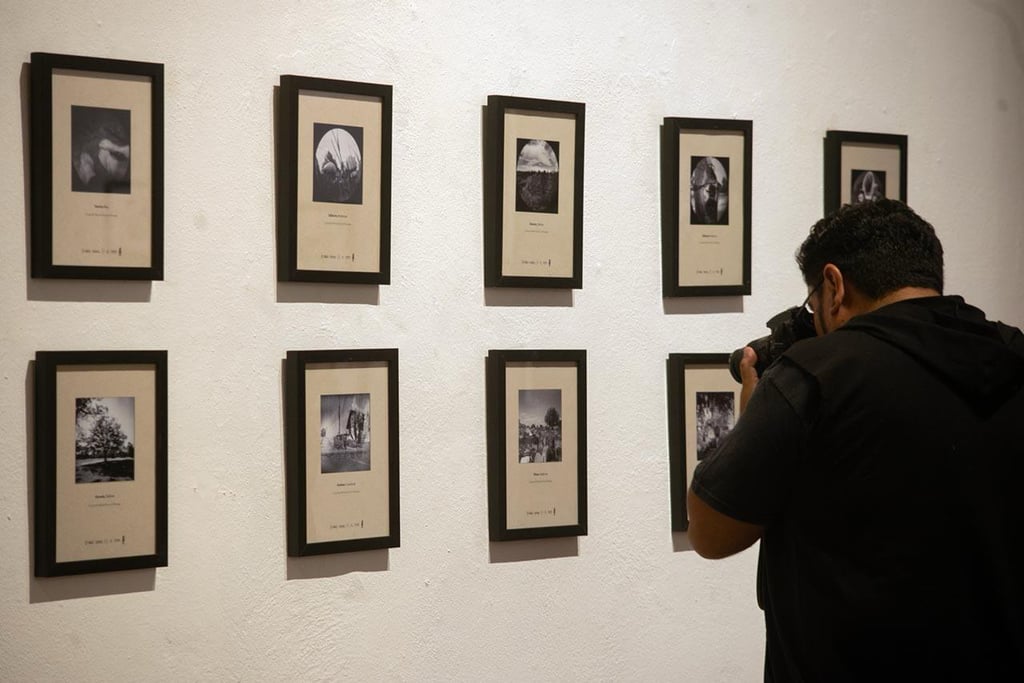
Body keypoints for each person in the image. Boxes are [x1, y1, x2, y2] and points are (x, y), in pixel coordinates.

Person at [686, 199, 1024, 680]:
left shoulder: (815, 376)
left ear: (834, 284)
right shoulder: (1012, 355)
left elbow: (710, 531)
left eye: (813, 306)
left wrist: (752, 415)